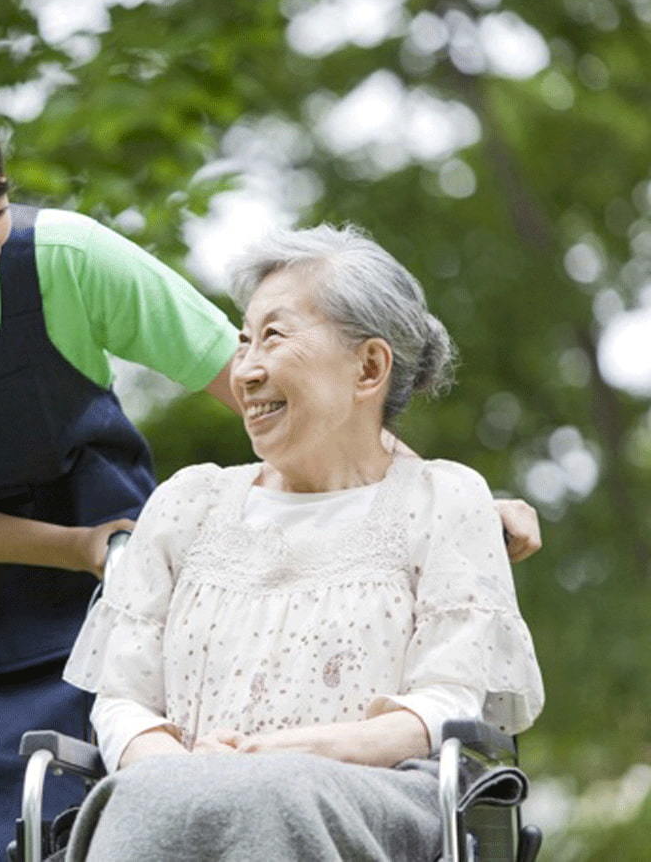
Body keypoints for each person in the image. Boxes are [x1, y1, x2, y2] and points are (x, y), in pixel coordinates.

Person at [0, 78, 541, 860]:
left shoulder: (63, 257)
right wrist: (76, 546)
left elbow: (274, 393)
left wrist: (437, 501)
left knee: (120, 810)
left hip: (96, 594)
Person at [61, 224, 545, 861]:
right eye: (243, 341)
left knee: (276, 792)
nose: (245, 369)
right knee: (153, 797)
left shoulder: (442, 500)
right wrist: (181, 769)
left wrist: (296, 752)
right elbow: (123, 698)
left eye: (273, 336)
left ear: (369, 367)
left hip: (377, 796)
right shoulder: (188, 503)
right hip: (181, 790)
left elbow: (445, 702)